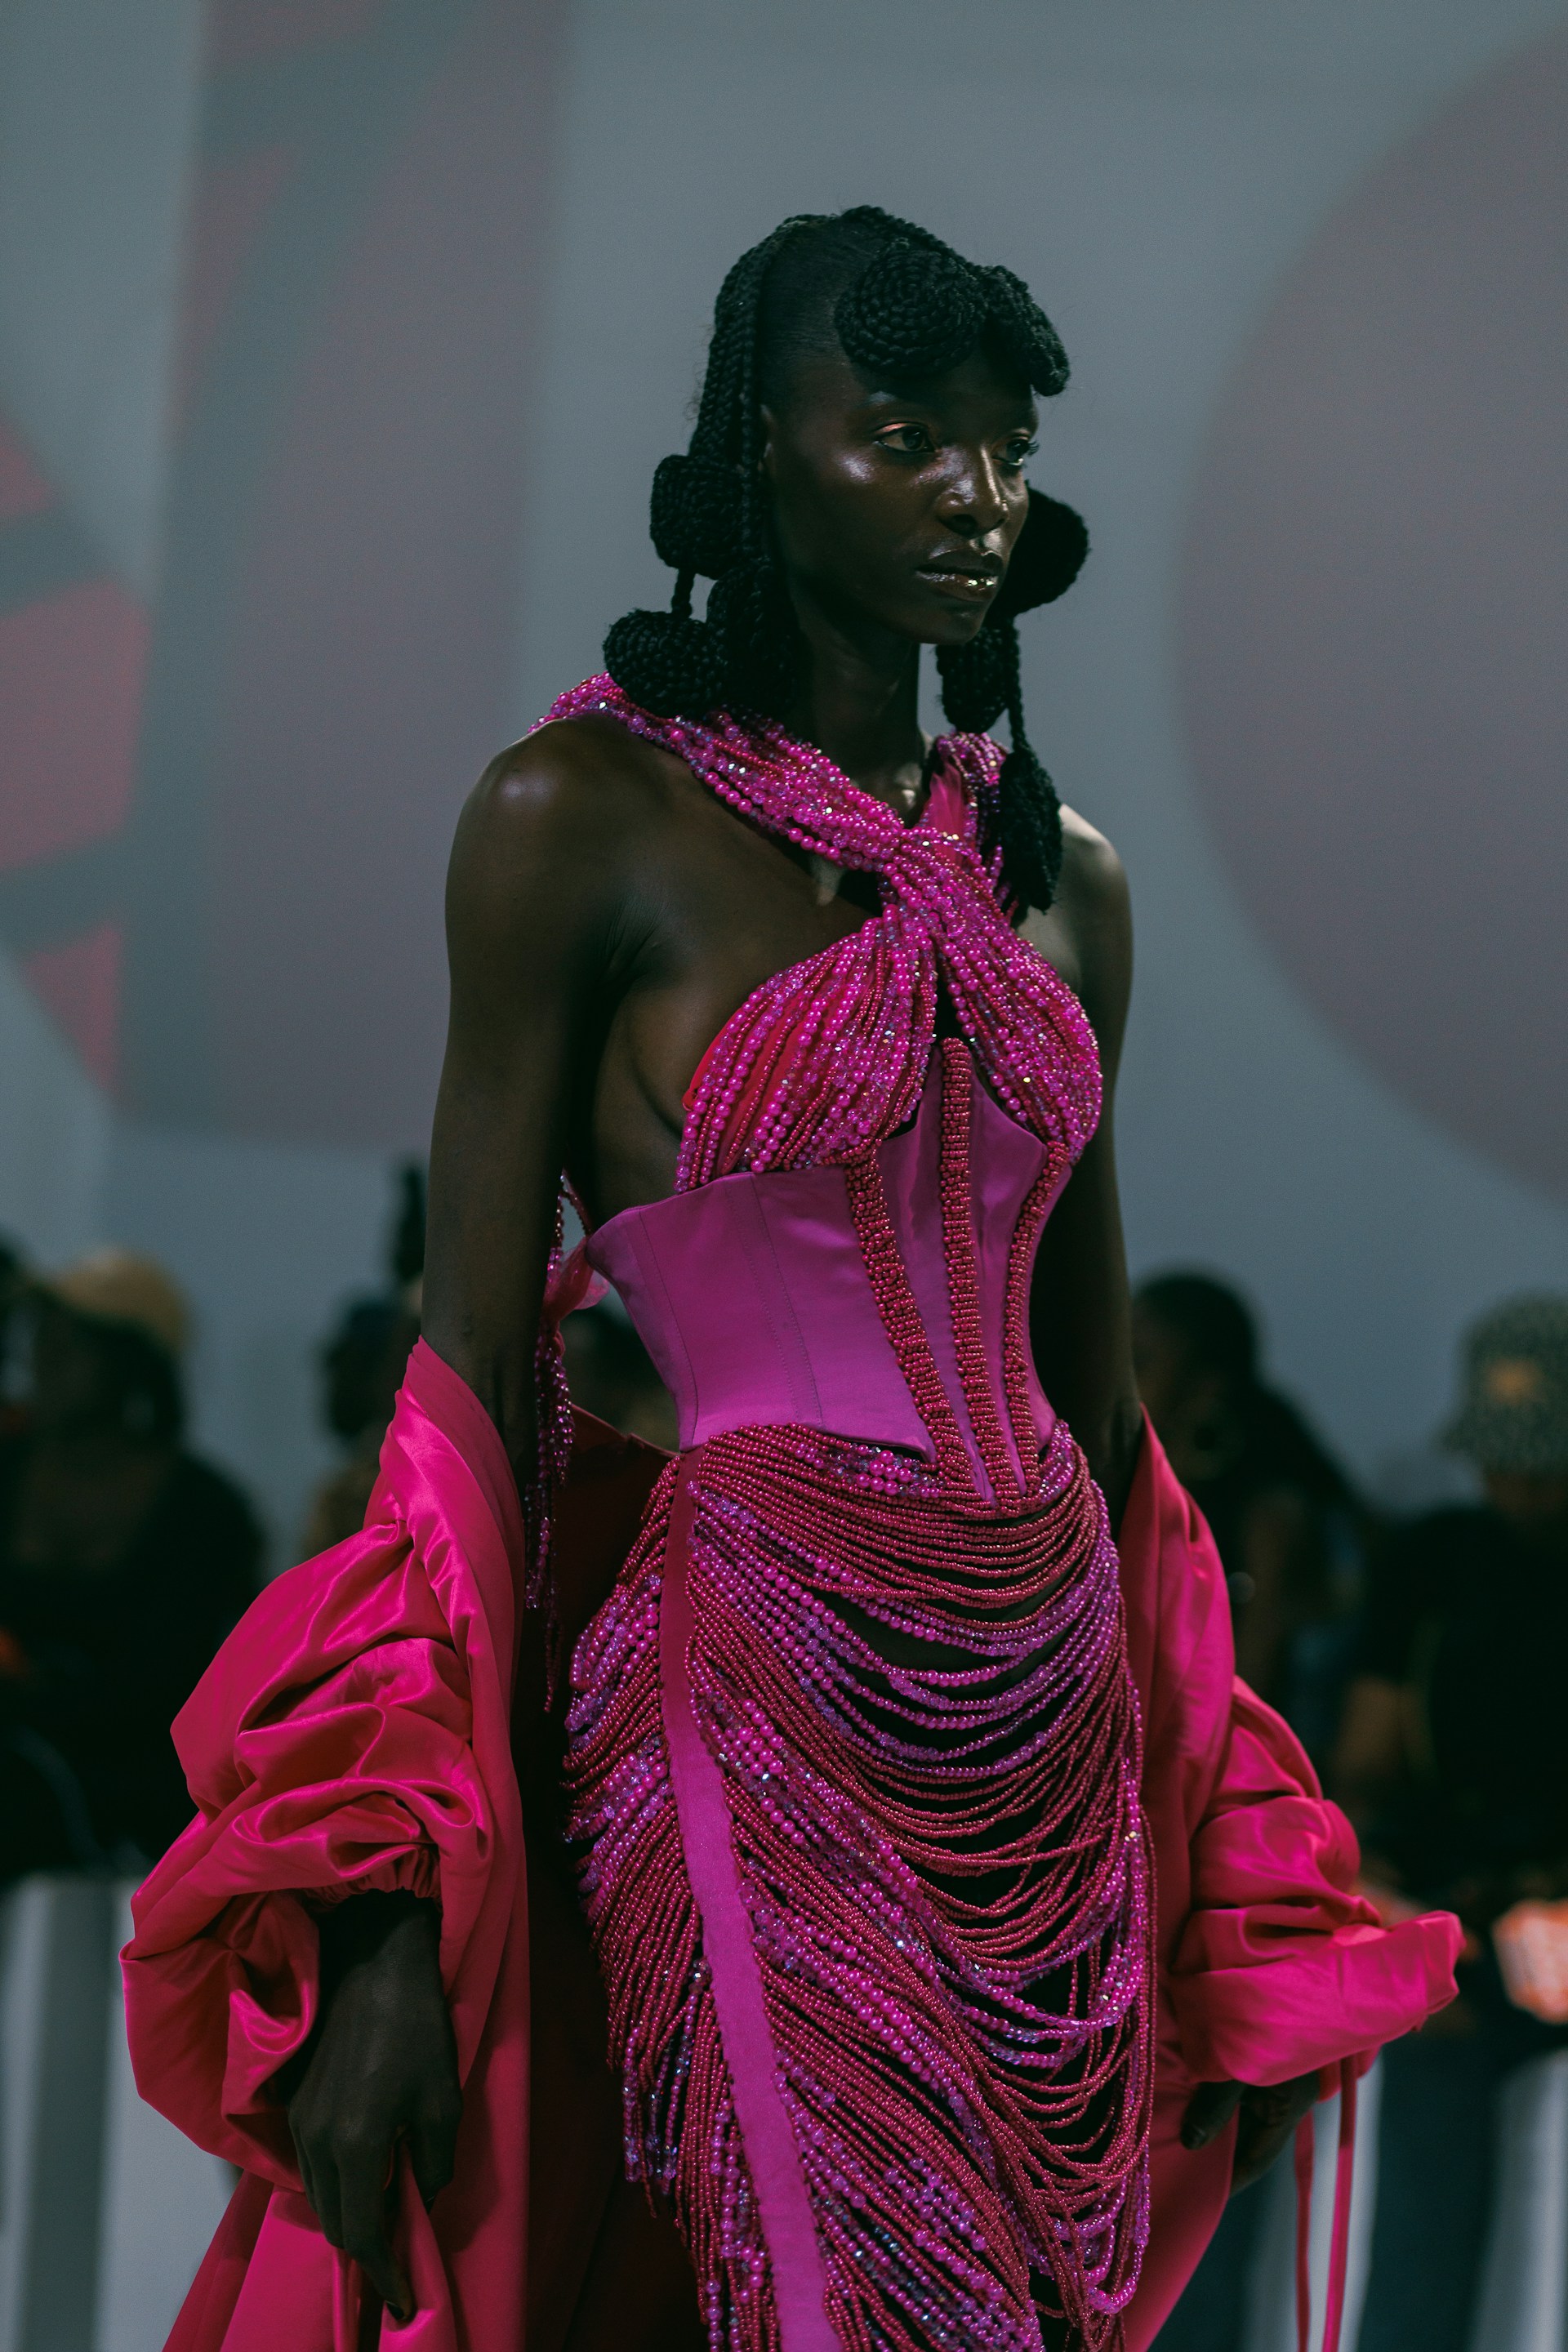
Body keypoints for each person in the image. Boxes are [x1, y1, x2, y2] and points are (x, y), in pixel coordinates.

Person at [126, 209, 1458, 2352]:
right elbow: (469, 1372)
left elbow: (1104, 1416)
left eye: (1007, 445)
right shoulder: (579, 819)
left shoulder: (1067, 876)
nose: (973, 491)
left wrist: (1210, 1833)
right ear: (767, 446)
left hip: (1042, 1737)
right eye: (904, 432)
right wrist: (383, 1921)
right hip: (751, 1697)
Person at [1334, 1293, 1568, 2352]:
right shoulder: (1440, 1558)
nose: (1516, 1486)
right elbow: (1366, 1763)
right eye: (1504, 1460)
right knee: (1419, 2247)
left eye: (1540, 1463)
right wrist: (1385, 1887)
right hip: (1455, 1917)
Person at [0, 1249, 263, 1877]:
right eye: (44, 1337)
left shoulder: (203, 1510)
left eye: (76, 1342)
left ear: (130, 1365)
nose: (48, 1358)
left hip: (127, 1787)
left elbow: (175, 1679)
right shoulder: (9, 1467)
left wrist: (38, 1694)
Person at [1133, 1272, 1364, 1762]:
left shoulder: (1272, 1514)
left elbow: (1251, 1690)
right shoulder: (1121, 1478)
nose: (1115, 1377)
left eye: (1140, 1361)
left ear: (1206, 1386)